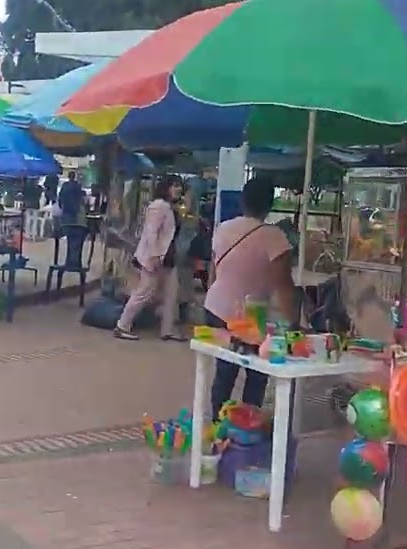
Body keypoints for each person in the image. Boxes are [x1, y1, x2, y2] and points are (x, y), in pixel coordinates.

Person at [203, 177, 299, 417]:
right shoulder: (274, 237)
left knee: (225, 370)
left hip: (216, 307)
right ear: (270, 203)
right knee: (257, 374)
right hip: (250, 316)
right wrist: (294, 324)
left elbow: (214, 272)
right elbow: (284, 285)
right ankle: (247, 427)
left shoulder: (223, 228)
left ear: (243, 200)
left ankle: (219, 425)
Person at [113, 175, 187, 342]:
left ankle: (167, 329)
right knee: (143, 292)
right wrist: (154, 256)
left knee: (171, 294)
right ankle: (122, 325)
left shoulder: (170, 207)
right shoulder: (158, 206)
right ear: (166, 187)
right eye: (174, 186)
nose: (178, 189)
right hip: (156, 257)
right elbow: (151, 232)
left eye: (180, 186)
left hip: (168, 257)